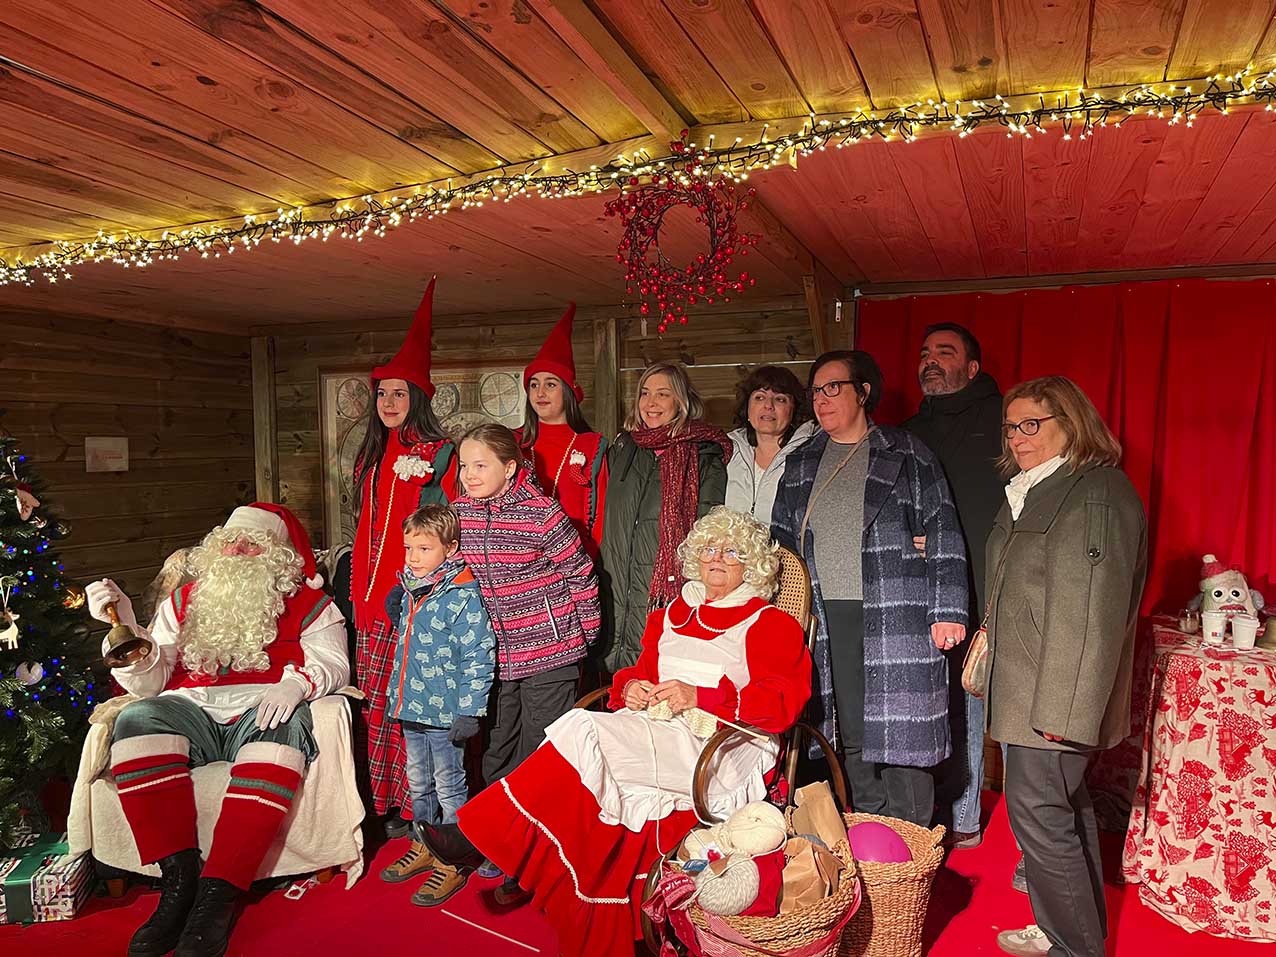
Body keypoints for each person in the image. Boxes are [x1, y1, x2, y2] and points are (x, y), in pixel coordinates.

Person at [421, 507, 811, 957]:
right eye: (708, 549)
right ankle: (574, 907)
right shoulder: (671, 614)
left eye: (731, 552)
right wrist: (633, 689)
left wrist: (699, 696)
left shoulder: (768, 623)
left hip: (721, 745)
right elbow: (637, 674)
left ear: (752, 564)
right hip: (658, 729)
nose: (716, 558)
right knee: (584, 764)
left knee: (583, 726)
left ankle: (480, 837)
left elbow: (782, 702)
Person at [84, 504, 348, 957]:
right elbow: (150, 683)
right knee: (135, 719)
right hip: (193, 709)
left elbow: (335, 663)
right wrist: (128, 627)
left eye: (252, 544)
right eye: (231, 541)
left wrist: (296, 684)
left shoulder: (311, 604)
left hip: (261, 708)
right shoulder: (183, 603)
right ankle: (179, 880)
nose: (238, 549)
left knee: (287, 726)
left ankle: (218, 893)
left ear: (277, 555)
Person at [985, 377, 1147, 957]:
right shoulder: (1041, 488)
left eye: (1032, 424)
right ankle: (1072, 933)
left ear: (1072, 423)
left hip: (1050, 698)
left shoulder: (1093, 492)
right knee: (1064, 813)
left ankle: (1073, 947)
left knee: (1041, 816)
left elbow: (1090, 613)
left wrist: (1064, 712)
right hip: (1028, 690)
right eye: (1011, 426)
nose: (1018, 437)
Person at [772, 350, 968, 827]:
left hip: (897, 611)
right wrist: (777, 617)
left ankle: (914, 844)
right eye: (815, 391)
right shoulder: (801, 463)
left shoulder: (907, 452)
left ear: (863, 392)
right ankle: (869, 834)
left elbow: (943, 528)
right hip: (824, 618)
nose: (821, 400)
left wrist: (949, 609)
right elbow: (779, 544)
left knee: (905, 734)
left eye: (833, 388)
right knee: (848, 732)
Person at [452, 422, 601, 905]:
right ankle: (502, 839)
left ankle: (535, 859)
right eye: (464, 465)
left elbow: (581, 573)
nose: (469, 475)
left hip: (551, 653)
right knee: (497, 750)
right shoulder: (460, 515)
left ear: (510, 467)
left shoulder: (542, 513)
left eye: (481, 465)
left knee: (540, 755)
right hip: (496, 657)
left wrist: (582, 635)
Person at [350, 277, 458, 835]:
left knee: (415, 707)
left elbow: (449, 528)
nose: (389, 403)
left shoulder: (440, 455)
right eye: (382, 394)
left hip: (412, 601)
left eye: (399, 393)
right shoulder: (370, 455)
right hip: (367, 604)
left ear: (418, 398)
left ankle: (428, 812)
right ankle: (388, 803)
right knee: (378, 707)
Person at [901, 322, 1004, 849]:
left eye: (945, 352)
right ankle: (928, 816)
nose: (931, 360)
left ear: (972, 367)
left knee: (972, 703)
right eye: (925, 352)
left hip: (983, 588)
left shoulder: (1003, 421)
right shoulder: (906, 432)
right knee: (925, 703)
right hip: (917, 592)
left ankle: (967, 819)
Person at [378, 504, 495, 906]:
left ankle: (453, 856)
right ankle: (425, 843)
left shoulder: (461, 596)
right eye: (409, 548)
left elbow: (479, 655)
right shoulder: (411, 590)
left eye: (424, 548)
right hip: (412, 707)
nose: (413, 557)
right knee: (418, 780)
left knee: (449, 785)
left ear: (451, 548)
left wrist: (470, 710)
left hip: (446, 714)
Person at [600, 361, 729, 673]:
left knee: (654, 672)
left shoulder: (703, 454)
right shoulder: (624, 448)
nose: (651, 403)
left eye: (662, 394)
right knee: (613, 677)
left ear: (681, 401)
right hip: (615, 584)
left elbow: (707, 532)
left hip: (667, 591)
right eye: (645, 393)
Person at [518, 302, 608, 557]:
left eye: (550, 384)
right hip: (518, 562)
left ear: (568, 391)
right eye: (534, 385)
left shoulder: (591, 445)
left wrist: (587, 561)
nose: (540, 393)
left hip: (575, 561)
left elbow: (601, 513)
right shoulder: (512, 442)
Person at [725, 364, 817, 523]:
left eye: (780, 399)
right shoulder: (727, 450)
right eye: (759, 397)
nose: (768, 405)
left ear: (794, 409)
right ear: (747, 406)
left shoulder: (809, 456)